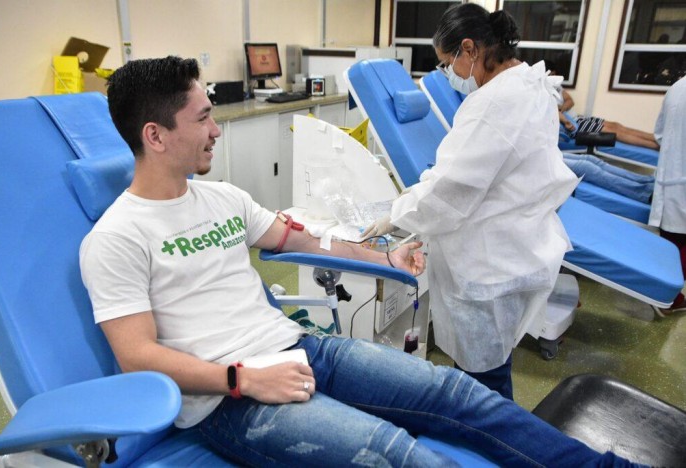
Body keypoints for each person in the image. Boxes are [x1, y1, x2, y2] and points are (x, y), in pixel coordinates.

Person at [79, 55, 639, 467]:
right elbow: (138, 356)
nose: (216, 129)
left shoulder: (222, 198)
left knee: (459, 394)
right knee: (407, 458)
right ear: (155, 135)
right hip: (227, 400)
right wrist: (242, 378)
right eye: (202, 118)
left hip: (301, 349)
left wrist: (385, 252)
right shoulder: (116, 238)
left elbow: (304, 241)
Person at [364, 4, 578, 401]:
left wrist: (395, 216)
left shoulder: (494, 104)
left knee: (486, 390)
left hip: (489, 267)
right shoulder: (532, 83)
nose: (449, 75)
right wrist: (413, 195)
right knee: (495, 373)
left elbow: (452, 190)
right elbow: (466, 173)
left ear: (470, 49)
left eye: (448, 63)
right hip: (519, 247)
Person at [545, 61, 660, 149]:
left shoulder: (556, 86)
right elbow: (554, 112)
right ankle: (655, 146)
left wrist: (562, 108)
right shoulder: (542, 92)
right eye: (551, 75)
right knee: (614, 132)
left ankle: (656, 138)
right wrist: (565, 120)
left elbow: (570, 101)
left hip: (578, 118)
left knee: (615, 125)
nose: (553, 77)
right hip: (573, 125)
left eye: (554, 74)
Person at [649, 76, 686, 315]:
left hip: (669, 177)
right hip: (680, 180)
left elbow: (659, 135)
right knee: (681, 244)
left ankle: (666, 294)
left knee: (671, 241)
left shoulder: (677, 86)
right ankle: (669, 298)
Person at [562, 152, 654, 204]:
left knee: (590, 159)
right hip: (548, 162)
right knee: (587, 167)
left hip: (552, 152)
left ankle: (647, 181)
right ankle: (645, 193)